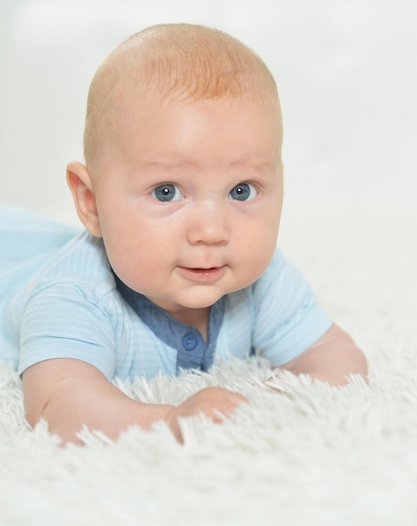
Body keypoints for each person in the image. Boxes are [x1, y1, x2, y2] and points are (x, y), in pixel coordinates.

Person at [0, 24, 367, 444]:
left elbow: (337, 356)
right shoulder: (74, 294)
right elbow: (58, 407)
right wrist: (170, 421)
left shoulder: (264, 281)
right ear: (91, 202)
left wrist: (281, 398)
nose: (212, 231)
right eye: (166, 192)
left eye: (241, 191)